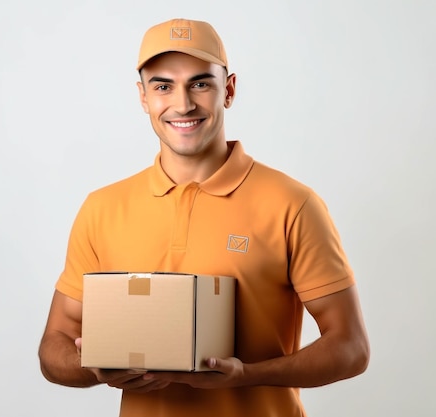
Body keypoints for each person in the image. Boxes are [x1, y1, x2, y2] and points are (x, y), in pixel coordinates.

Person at [38, 17, 370, 417]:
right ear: (143, 97)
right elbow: (54, 345)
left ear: (228, 90)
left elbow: (351, 348)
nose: (183, 104)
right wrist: (93, 367)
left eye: (200, 83)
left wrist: (246, 374)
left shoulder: (291, 204)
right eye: (163, 86)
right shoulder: (102, 208)